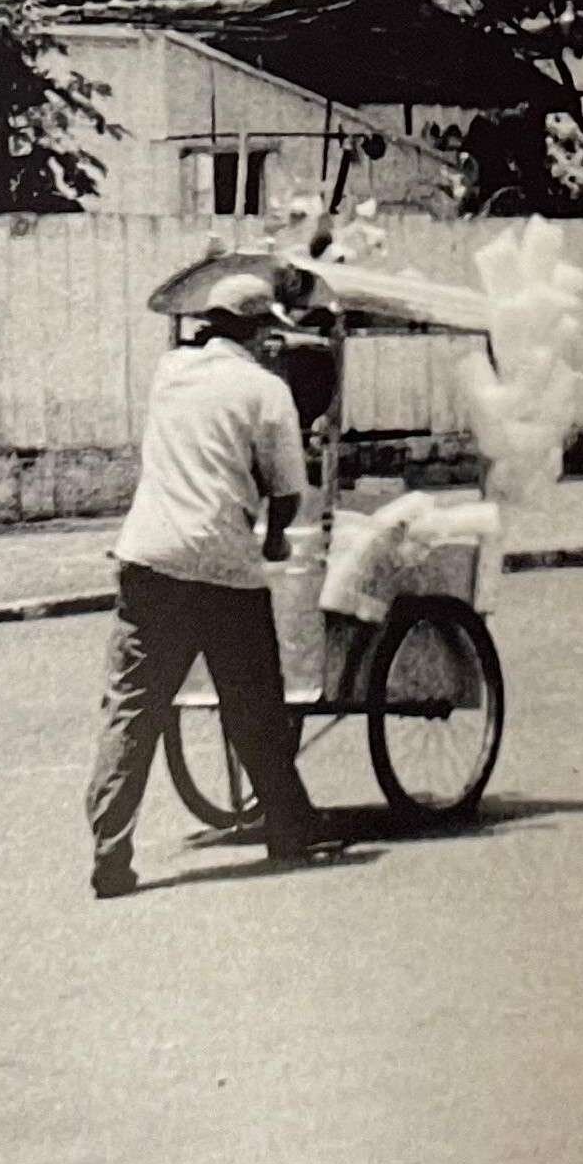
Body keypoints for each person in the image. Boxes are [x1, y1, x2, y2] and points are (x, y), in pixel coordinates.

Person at [83, 272, 351, 900]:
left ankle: (110, 850)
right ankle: (287, 827)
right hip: (224, 568)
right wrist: (276, 539)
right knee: (254, 703)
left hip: (147, 558)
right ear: (261, 333)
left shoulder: (168, 373)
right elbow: (288, 489)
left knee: (132, 706)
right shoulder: (265, 390)